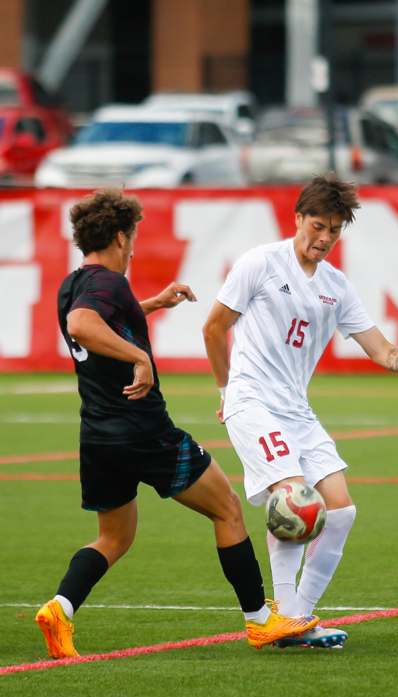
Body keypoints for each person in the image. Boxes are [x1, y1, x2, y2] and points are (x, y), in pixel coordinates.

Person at [35, 188, 319, 659]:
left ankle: (61, 608)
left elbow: (93, 317)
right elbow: (85, 325)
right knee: (227, 508)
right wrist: (138, 357)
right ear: (121, 237)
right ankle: (260, 620)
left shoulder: (75, 282)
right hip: (145, 432)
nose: (134, 248)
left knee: (114, 537)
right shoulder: (108, 284)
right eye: (134, 238)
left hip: (98, 435)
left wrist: (150, 305)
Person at [203, 174, 398, 650]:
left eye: (334, 229)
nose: (325, 238)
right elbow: (214, 327)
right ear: (297, 218)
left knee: (342, 509)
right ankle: (287, 619)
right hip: (252, 401)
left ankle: (298, 617)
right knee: (294, 498)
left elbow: (381, 349)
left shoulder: (336, 286)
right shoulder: (260, 264)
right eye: (318, 225)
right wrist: (228, 390)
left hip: (296, 409)